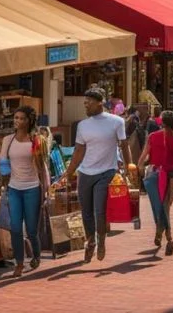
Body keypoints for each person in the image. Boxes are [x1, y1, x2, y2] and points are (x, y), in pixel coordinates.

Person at [57, 88, 132, 263]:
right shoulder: (83, 125)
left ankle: (101, 240)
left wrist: (129, 167)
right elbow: (78, 151)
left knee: (99, 211)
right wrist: (68, 173)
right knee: (86, 212)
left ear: (100, 102)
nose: (86, 106)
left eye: (88, 102)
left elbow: (124, 145)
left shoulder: (116, 122)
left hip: (107, 172)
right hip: (85, 172)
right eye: (85, 102)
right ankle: (90, 241)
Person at [0, 105, 49, 278]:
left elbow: (42, 167)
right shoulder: (8, 140)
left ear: (29, 121)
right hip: (14, 188)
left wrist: (45, 190)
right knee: (15, 228)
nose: (18, 121)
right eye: (16, 118)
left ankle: (36, 255)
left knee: (31, 228)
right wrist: (3, 181)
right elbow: (3, 163)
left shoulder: (36, 140)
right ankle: (19, 263)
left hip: (32, 188)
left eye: (22, 118)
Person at [137, 110, 173, 254]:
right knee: (166, 205)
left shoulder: (153, 136)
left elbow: (143, 156)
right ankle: (163, 235)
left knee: (161, 206)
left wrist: (139, 168)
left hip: (157, 173)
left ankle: (167, 236)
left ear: (162, 122)